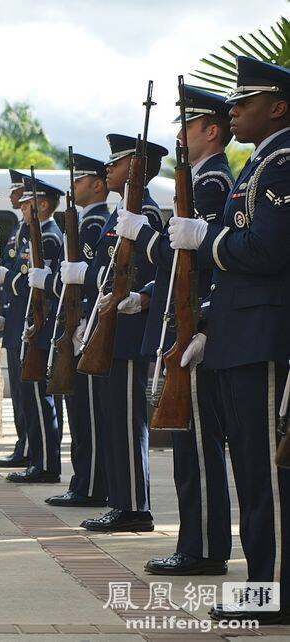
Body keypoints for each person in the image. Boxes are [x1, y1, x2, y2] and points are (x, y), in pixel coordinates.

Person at [168, 56, 290, 625]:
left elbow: (267, 251)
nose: (234, 109)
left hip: (264, 335)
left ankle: (276, 592)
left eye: (246, 101)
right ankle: (263, 584)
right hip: (240, 333)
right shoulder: (260, 164)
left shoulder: (283, 164)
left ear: (279, 108)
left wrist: (207, 239)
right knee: (250, 469)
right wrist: (211, 325)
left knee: (266, 470)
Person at [117, 85, 234, 575]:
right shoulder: (203, 181)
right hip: (178, 326)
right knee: (187, 447)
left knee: (199, 447)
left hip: (194, 329)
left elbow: (188, 259)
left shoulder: (210, 186)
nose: (181, 137)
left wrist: (141, 234)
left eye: (187, 127)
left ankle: (204, 549)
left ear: (211, 130)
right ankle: (195, 544)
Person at [60, 133, 168, 532]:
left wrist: (85, 276)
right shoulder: (118, 214)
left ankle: (135, 507)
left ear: (138, 170)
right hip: (107, 327)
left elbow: (144, 274)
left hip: (126, 330)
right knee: (111, 420)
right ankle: (120, 501)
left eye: (117, 162)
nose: (109, 168)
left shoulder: (148, 216)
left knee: (125, 421)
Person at [0, 176, 63, 483]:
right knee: (26, 395)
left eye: (27, 202)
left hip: (38, 323)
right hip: (24, 320)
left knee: (38, 396)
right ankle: (33, 455)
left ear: (43, 205)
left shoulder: (48, 236)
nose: (21, 206)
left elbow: (34, 280)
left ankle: (42, 461)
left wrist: (6, 279)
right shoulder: (33, 233)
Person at [44, 153, 109, 507]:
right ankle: (82, 481)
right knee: (79, 412)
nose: (73, 187)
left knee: (87, 414)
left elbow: (84, 280)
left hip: (86, 326)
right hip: (77, 323)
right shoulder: (87, 221)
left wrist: (80, 317)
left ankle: (91, 485)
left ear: (97, 185)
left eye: (79, 180)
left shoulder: (94, 223)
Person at [0, 169, 31, 469]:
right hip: (15, 315)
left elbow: (22, 273)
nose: (12, 196)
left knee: (25, 388)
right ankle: (24, 444)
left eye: (18, 192)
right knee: (18, 390)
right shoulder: (21, 227)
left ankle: (29, 446)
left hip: (25, 317)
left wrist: (6, 279)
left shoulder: (32, 230)